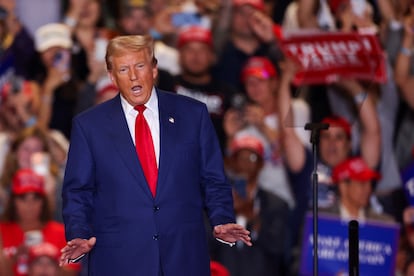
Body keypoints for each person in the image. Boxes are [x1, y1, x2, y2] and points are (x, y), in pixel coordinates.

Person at [59, 34, 251, 275]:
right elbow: (77, 191)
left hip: (183, 256)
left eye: (140, 66)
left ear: (154, 69)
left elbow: (213, 178)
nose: (133, 76)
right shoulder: (89, 126)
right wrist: (79, 233)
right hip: (119, 260)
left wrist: (221, 218)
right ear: (112, 76)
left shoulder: (193, 115)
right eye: (123, 69)